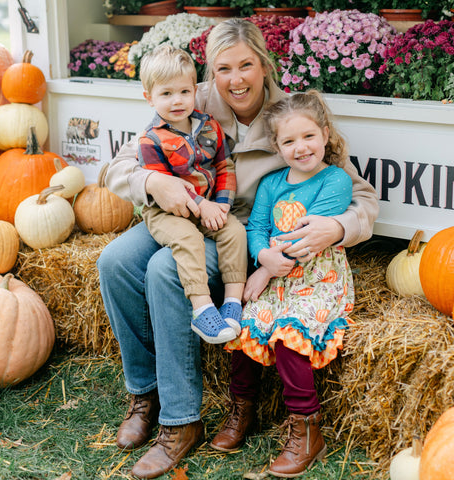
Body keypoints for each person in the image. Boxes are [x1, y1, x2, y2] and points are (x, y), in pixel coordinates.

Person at [96, 18, 379, 480]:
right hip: (182, 212)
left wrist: (337, 226)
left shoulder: (292, 116)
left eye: (247, 65)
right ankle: (145, 393)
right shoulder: (191, 97)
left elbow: (363, 197)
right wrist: (152, 181)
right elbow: (122, 164)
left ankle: (181, 422)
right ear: (209, 72)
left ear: (264, 65)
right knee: (115, 262)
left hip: (241, 233)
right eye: (224, 68)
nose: (237, 79)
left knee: (167, 270)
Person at [215, 90, 355, 478]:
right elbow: (257, 227)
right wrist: (260, 257)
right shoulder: (273, 183)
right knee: (243, 328)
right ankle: (242, 409)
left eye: (308, 136)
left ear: (325, 134)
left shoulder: (335, 180)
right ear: (277, 147)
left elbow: (307, 239)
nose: (301, 147)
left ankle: (307, 427)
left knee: (289, 333)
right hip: (277, 272)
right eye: (289, 141)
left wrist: (264, 270)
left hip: (316, 275)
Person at [137, 44, 247, 344]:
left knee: (235, 231)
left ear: (195, 91)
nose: (177, 101)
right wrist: (202, 206)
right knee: (188, 239)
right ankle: (202, 308)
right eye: (166, 94)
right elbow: (168, 186)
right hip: (167, 211)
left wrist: (222, 206)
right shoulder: (151, 139)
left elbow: (224, 165)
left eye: (184, 92)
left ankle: (233, 303)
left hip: (209, 205)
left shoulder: (209, 127)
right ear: (149, 97)